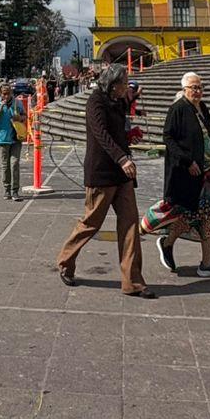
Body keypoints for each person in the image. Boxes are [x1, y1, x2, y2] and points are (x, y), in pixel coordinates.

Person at [55, 63, 153, 298]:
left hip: (123, 175)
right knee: (91, 222)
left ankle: (132, 282)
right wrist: (121, 158)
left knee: (130, 225)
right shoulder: (95, 101)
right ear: (114, 84)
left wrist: (129, 138)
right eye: (124, 83)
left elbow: (118, 130)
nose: (126, 87)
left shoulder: (119, 101)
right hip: (102, 172)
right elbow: (101, 135)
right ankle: (65, 261)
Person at [154, 72, 210, 281]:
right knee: (187, 215)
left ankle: (206, 264)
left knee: (209, 217)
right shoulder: (178, 108)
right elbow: (168, 138)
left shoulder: (202, 108)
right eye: (193, 87)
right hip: (189, 174)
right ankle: (167, 243)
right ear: (184, 89)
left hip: (209, 173)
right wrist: (187, 161)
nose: (197, 91)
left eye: (200, 87)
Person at [0, 84, 26, 201]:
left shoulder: (17, 103)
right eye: (4, 93)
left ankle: (15, 190)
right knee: (5, 165)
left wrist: (19, 118)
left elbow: (25, 116)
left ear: (11, 93)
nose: (6, 96)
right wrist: (0, 108)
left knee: (14, 163)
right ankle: (7, 189)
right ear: (1, 94)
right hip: (3, 138)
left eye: (8, 93)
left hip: (16, 138)